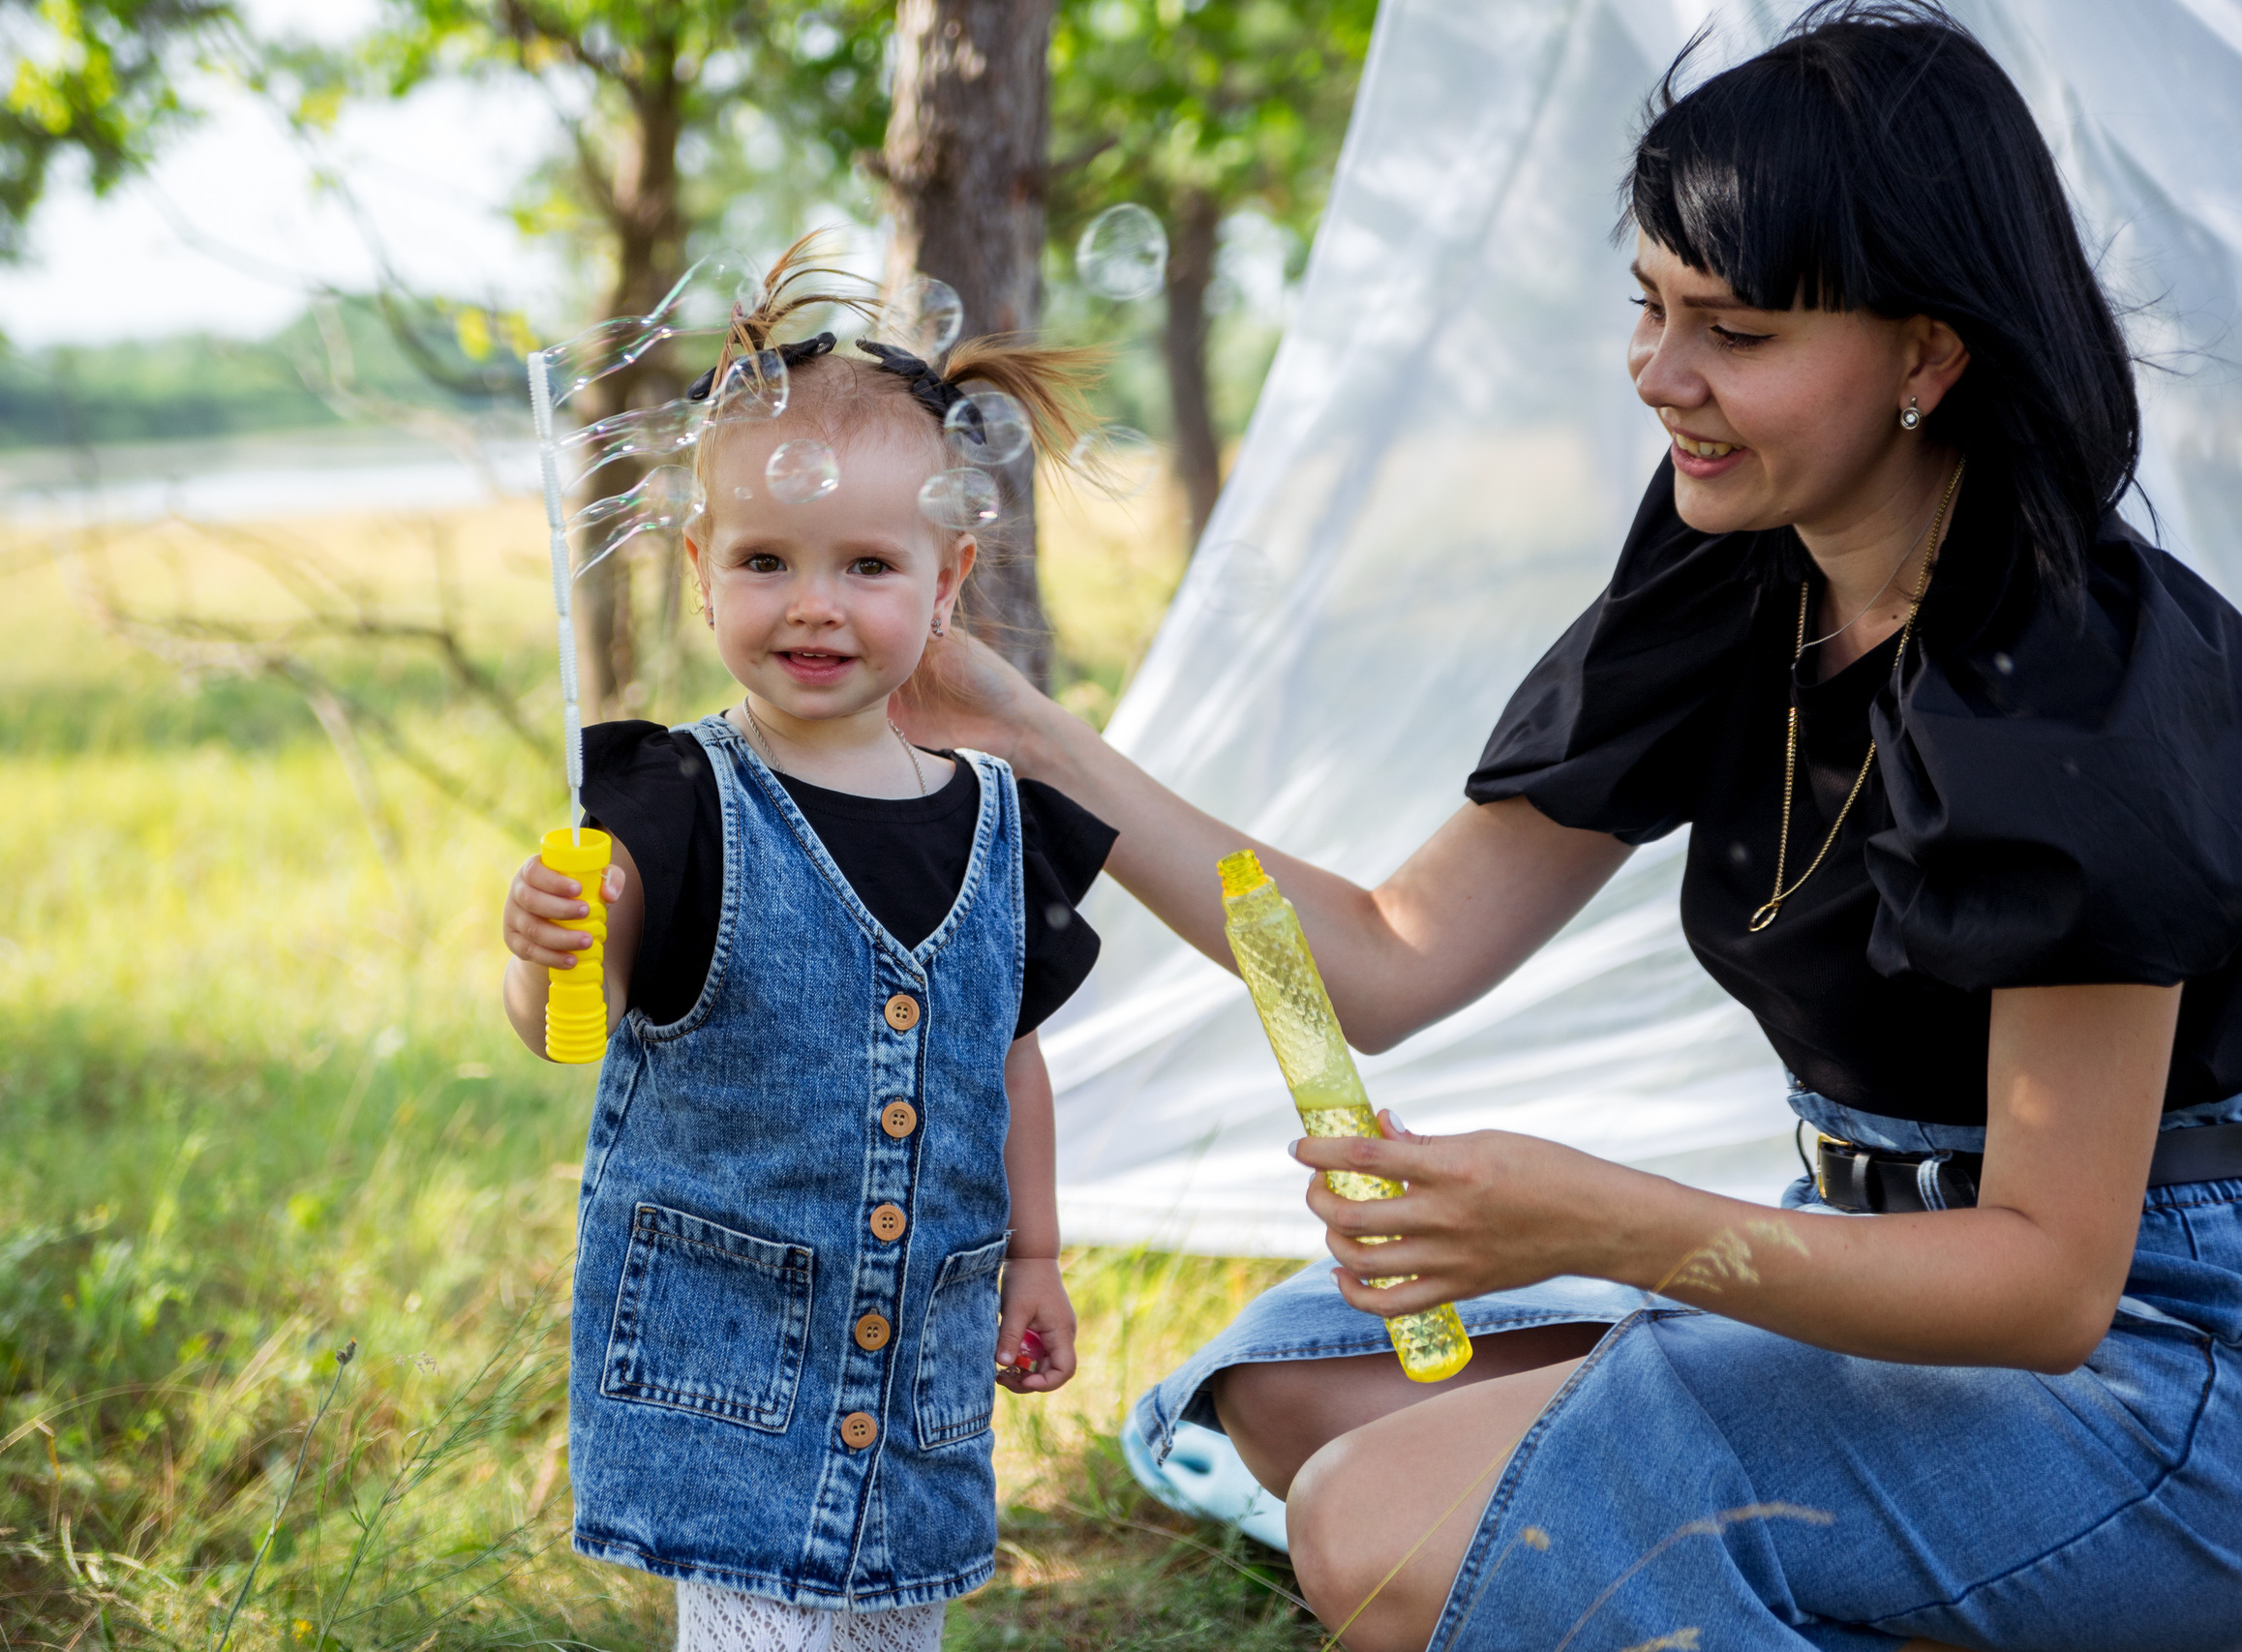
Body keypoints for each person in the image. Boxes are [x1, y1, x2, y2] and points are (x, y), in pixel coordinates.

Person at [893, 5, 2242, 1647]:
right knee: (1295, 1390)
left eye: (1734, 332)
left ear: (1928, 353)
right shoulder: (1740, 563)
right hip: (1858, 1256)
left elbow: (2045, 1286)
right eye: (1651, 306)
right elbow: (1385, 962)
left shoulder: (2077, 693)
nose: (1659, 376)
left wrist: (1611, 1225)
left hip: (2156, 1365)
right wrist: (1025, 735)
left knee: (1384, 1521)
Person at [496, 250, 1118, 1650]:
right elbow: (573, 1030)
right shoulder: (670, 801)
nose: (814, 605)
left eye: (866, 566)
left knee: (898, 1625)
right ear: (699, 570)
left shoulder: (1001, 823)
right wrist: (551, 950)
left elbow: (1004, 1059)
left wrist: (1037, 1256)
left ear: (947, 580)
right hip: (729, 1378)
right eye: (765, 561)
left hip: (924, 1382)